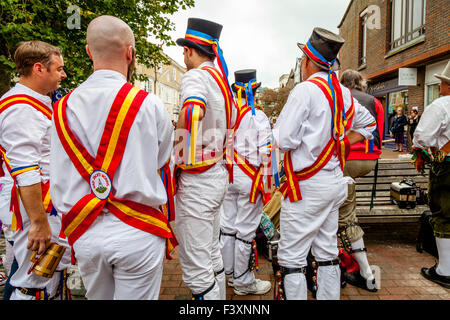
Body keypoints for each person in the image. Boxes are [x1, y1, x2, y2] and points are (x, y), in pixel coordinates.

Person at [50, 15, 176, 300]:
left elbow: (56, 169)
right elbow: (160, 159)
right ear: (130, 52)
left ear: (88, 51)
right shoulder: (150, 104)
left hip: (85, 230)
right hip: (138, 230)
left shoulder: (60, 109)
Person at [274, 27, 376, 300]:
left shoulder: (304, 90)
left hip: (307, 187)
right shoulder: (342, 92)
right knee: (327, 251)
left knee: (293, 256)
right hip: (333, 182)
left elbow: (284, 140)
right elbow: (369, 124)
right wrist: (339, 143)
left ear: (307, 61)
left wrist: (329, 142)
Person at [0, 40, 71, 300]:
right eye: (59, 69)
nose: (63, 75)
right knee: (33, 280)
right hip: (37, 210)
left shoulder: (36, 102)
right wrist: (39, 223)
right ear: (39, 69)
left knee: (47, 274)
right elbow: (25, 170)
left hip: (45, 206)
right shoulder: (21, 108)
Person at [174, 17, 236, 300]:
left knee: (197, 269)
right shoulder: (222, 82)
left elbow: (192, 112)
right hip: (217, 173)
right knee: (212, 254)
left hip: (198, 179)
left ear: (189, 51)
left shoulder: (196, 76)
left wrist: (177, 152)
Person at [220, 69, 272, 296]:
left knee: (228, 226)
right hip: (249, 179)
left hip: (228, 175)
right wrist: (268, 185)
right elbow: (266, 153)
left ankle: (229, 274)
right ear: (254, 89)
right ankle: (243, 281)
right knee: (245, 230)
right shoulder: (257, 116)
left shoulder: (227, 113)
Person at [338, 69, 384, 291]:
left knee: (345, 216)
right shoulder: (374, 101)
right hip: (367, 159)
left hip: (345, 158)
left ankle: (366, 273)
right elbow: (379, 134)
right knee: (342, 209)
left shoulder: (338, 98)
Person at [413, 60, 450, 289]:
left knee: (443, 213)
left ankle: (445, 270)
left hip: (446, 166)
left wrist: (421, 150)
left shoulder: (441, 105)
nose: (440, 87)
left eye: (443, 83)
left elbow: (422, 137)